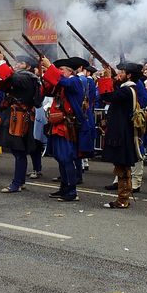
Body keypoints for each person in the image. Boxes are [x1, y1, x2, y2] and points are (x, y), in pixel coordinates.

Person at [0, 55, 44, 193]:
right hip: (18, 116)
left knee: (19, 152)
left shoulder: (26, 77)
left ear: (28, 66)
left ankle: (16, 184)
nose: (16, 65)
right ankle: (19, 182)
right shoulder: (26, 77)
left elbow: (11, 77)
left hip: (19, 118)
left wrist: (1, 62)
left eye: (20, 63)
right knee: (19, 152)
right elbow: (5, 83)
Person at [40, 57, 87, 202]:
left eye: (62, 69)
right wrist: (44, 73)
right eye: (58, 69)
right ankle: (64, 188)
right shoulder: (63, 82)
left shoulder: (74, 81)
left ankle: (72, 191)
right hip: (58, 124)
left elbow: (61, 81)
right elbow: (48, 90)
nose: (59, 72)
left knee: (66, 158)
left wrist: (50, 69)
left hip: (67, 125)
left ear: (69, 71)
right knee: (60, 158)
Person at [96, 62, 142, 208]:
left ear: (128, 75)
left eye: (121, 72)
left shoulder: (127, 90)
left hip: (121, 133)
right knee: (122, 166)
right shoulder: (127, 88)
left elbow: (107, 95)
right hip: (122, 132)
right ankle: (123, 198)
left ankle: (122, 200)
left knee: (122, 167)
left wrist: (107, 78)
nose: (119, 74)